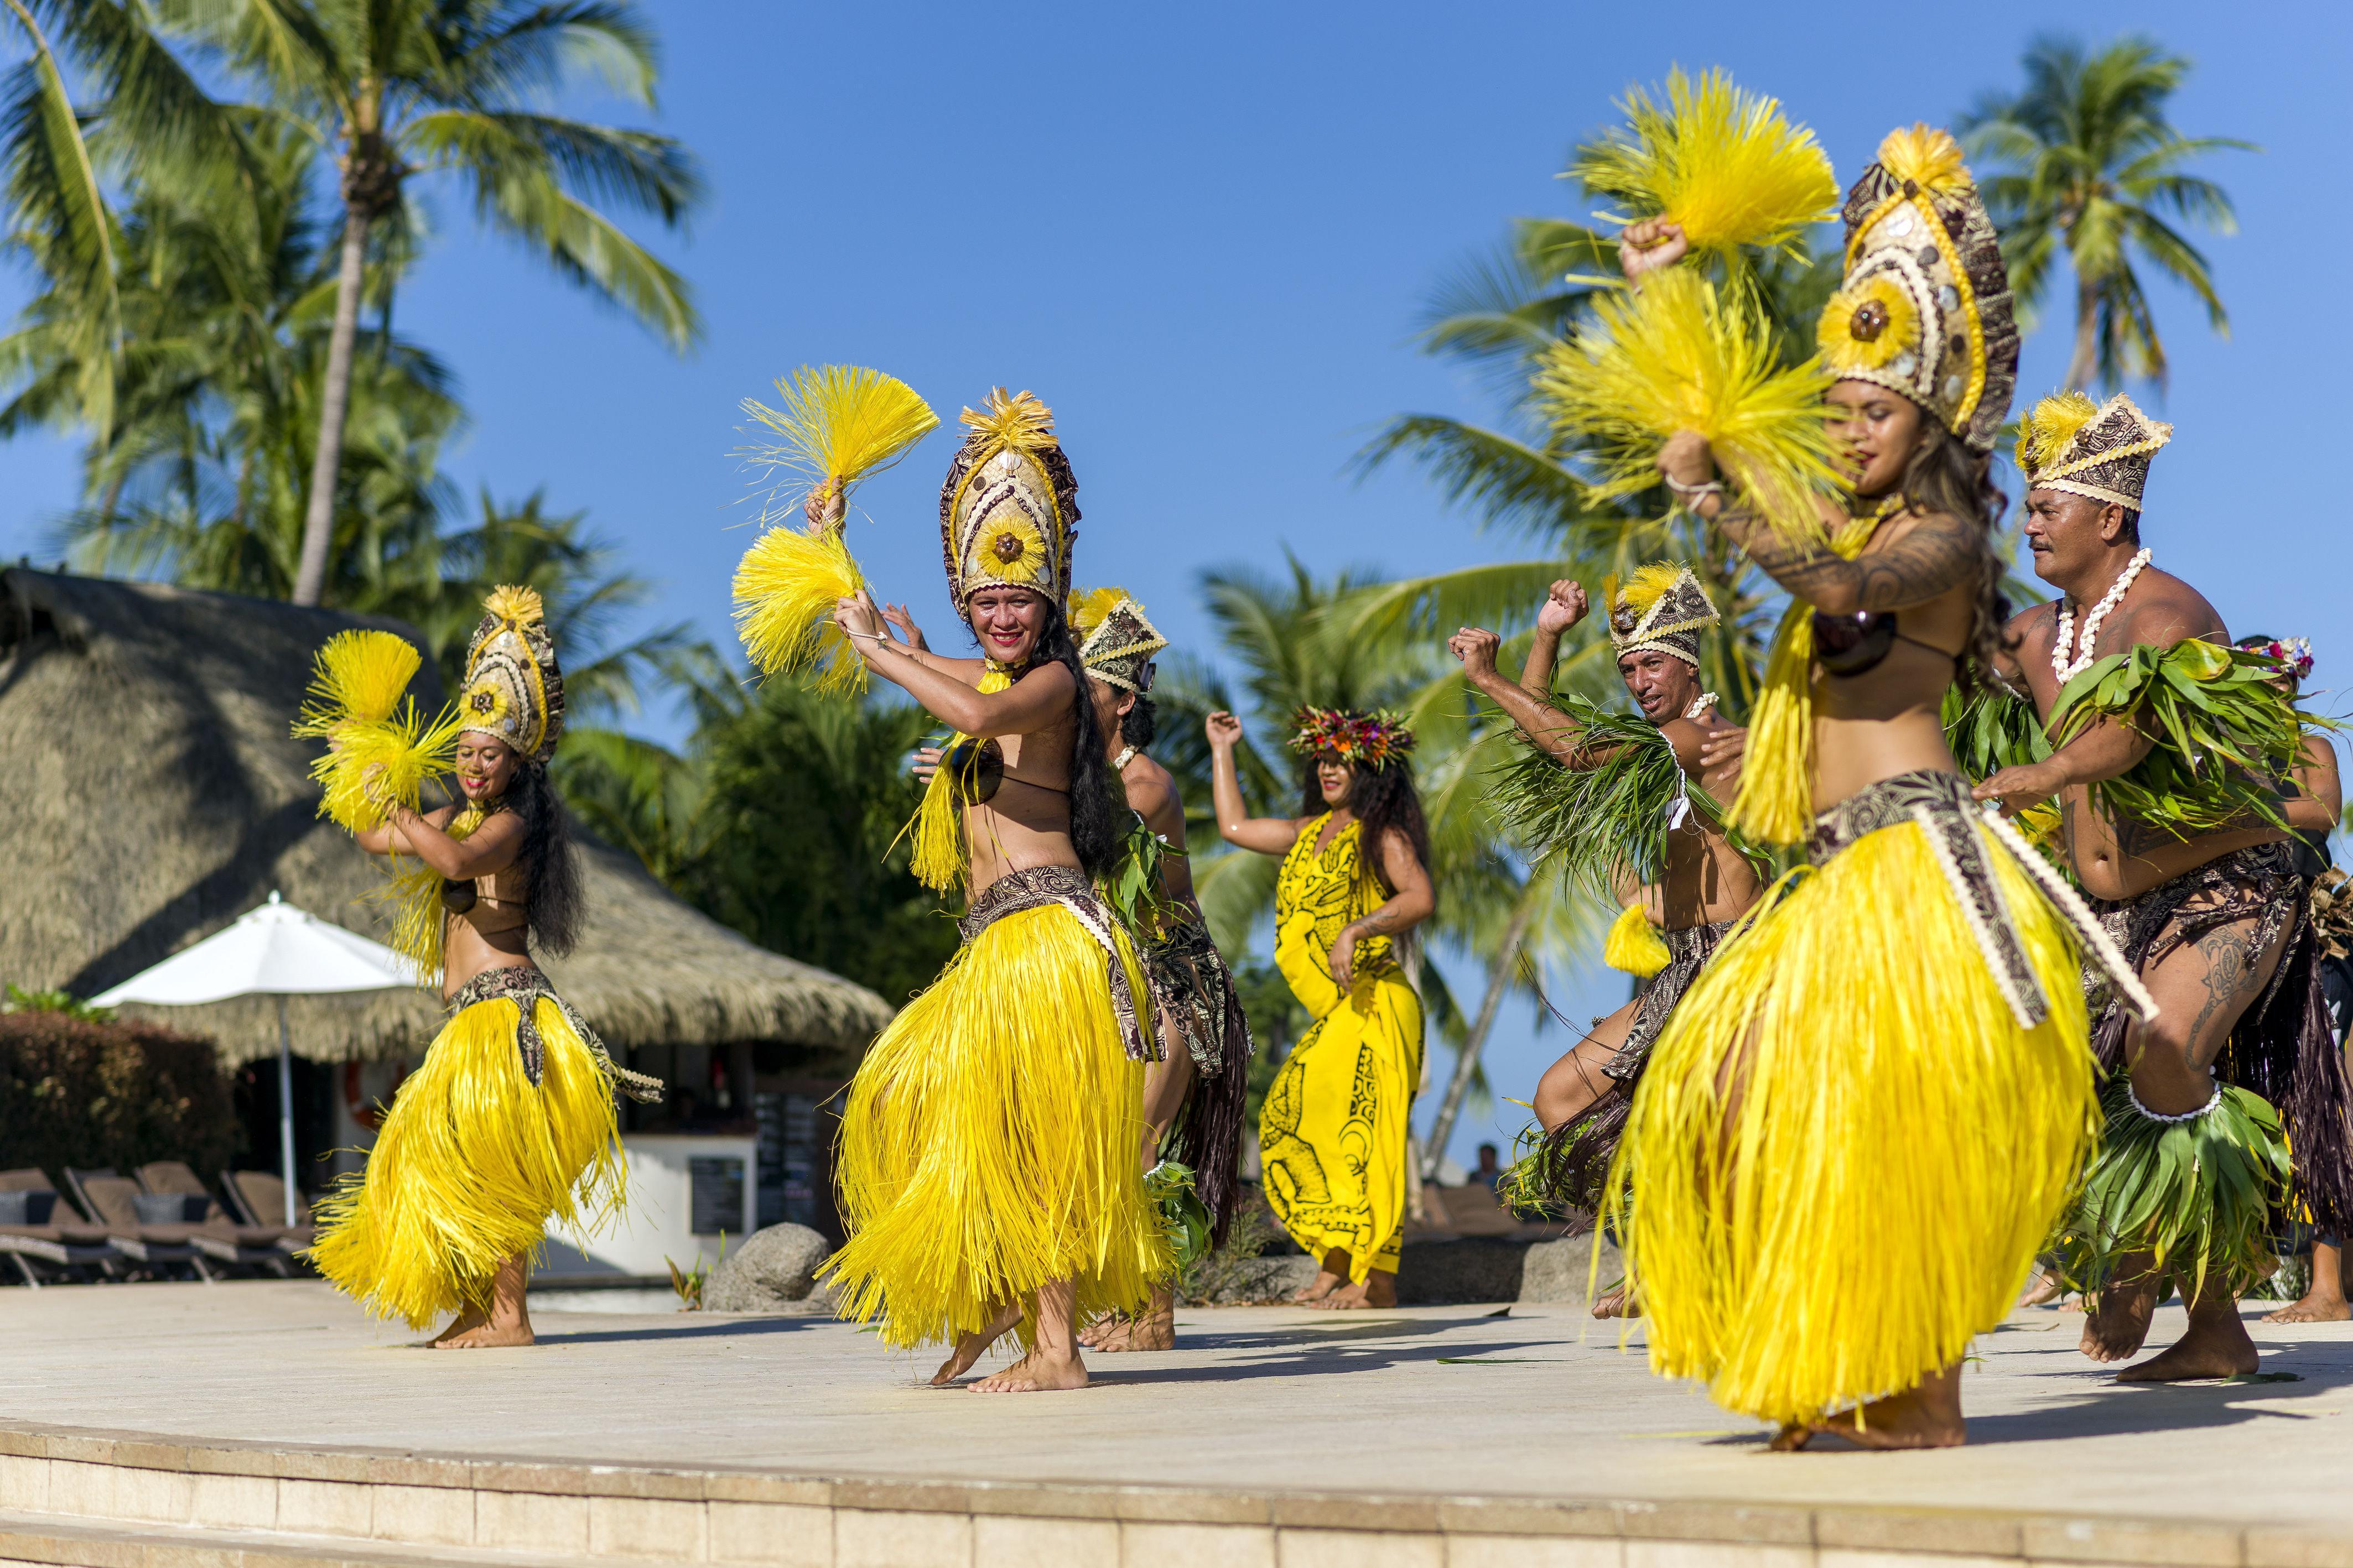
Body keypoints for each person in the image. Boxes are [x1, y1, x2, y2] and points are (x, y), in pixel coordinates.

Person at [1614, 127, 2147, 1449]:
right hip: (1827, 872)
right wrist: (1663, 290)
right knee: (1731, 1103)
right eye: (1837, 408)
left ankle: (1920, 1394)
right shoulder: (1836, 517)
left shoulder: (1945, 539)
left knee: (1891, 1132)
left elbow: (1841, 593)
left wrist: (1722, 504)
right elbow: (1721, 433)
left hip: (1917, 870)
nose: (1850, 428)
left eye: (1877, 410)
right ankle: (1848, 1359)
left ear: (1929, 422)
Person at [1975, 400, 2350, 1377]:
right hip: (2114, 904)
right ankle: (2216, 1333)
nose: (2028, 523)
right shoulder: (2031, 635)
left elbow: (2128, 727)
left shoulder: (2168, 616)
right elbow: (1926, 663)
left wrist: (2048, 775)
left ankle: (2143, 1257)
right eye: (2022, 505)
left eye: (2046, 505)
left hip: (2232, 883)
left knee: (2168, 1044)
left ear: (2107, 516)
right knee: (2052, 1080)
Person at [820, 389, 1167, 1393]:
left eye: (1019, 600)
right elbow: (908, 649)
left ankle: (1055, 1352)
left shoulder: (1052, 685)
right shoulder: (980, 666)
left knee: (1035, 1145)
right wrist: (838, 549)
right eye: (987, 603)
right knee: (900, 1106)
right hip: (991, 948)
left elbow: (972, 712)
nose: (1004, 614)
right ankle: (991, 1306)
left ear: (1048, 606)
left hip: (1049, 940)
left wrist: (883, 652)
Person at [311, 587, 660, 1348]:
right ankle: (476, 1308)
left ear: (516, 761)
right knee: (442, 1163)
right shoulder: (455, 813)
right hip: (469, 1017)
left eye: (488, 754)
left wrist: (402, 807)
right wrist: (361, 759)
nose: (473, 764)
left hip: (508, 1014)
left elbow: (455, 861)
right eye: (464, 751)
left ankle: (510, 1316)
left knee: (496, 1166)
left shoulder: (508, 826)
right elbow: (377, 839)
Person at [1449, 568, 1762, 1316]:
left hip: (1733, 965)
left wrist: (1488, 678)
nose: (1637, 680)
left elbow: (1574, 750)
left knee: (1711, 1135)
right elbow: (1549, 746)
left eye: (1651, 663)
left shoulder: (1697, 738)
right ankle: (1665, 1242)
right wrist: (1547, 637)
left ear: (1687, 661)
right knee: (1564, 1095)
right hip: (1685, 964)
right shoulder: (1658, 750)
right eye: (1626, 667)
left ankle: (1700, 1259)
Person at [1072, 590, 1254, 1353]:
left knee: (1138, 1144)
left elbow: (1079, 847)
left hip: (1173, 978)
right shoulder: (1085, 773)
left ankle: (1155, 1313)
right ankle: (1121, 1302)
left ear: (1118, 700)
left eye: (1082, 685)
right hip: (1118, 980)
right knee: (1105, 1144)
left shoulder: (1140, 782)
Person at [1207, 705, 1435, 1309]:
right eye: (1323, 758)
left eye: (1343, 759)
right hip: (1339, 1013)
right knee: (1296, 1122)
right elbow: (1232, 828)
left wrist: (1356, 930)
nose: (1329, 768)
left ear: (1371, 767)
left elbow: (1418, 896)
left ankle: (1376, 1279)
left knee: (1369, 1136)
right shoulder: (1307, 832)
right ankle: (1336, 1261)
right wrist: (1223, 748)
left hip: (1378, 1003)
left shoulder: (1380, 834)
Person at [2242, 637, 2351, 1326]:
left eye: (2277, 684)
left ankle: (2327, 1287)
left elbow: (2321, 812)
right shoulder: (2217, 757)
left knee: (2321, 1098)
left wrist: (2236, 804)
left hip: (2316, 935)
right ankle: (2240, 1257)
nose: (2268, 696)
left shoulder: (2309, 749)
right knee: (2245, 1095)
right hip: (2244, 938)